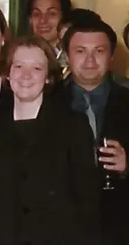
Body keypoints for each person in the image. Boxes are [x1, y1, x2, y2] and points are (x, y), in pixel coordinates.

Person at [0, 35, 101, 244]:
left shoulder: (73, 127)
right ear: (7, 73)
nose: (26, 76)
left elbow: (87, 201)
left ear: (48, 77)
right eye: (19, 66)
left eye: (36, 68)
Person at [56, 20, 129, 244]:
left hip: (119, 225)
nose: (89, 60)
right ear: (66, 55)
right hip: (60, 226)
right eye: (80, 51)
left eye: (99, 51)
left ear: (112, 56)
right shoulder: (46, 103)